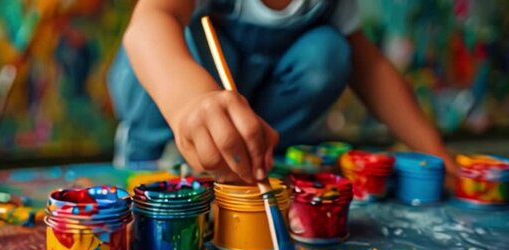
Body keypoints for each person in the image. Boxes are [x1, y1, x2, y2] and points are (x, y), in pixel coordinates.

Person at [107, 0, 456, 184]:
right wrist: (189, 102)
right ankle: (145, 154)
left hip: (253, 103)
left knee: (329, 51)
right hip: (168, 93)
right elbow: (149, 24)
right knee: (184, 40)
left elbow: (372, 69)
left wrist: (437, 155)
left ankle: (253, 157)